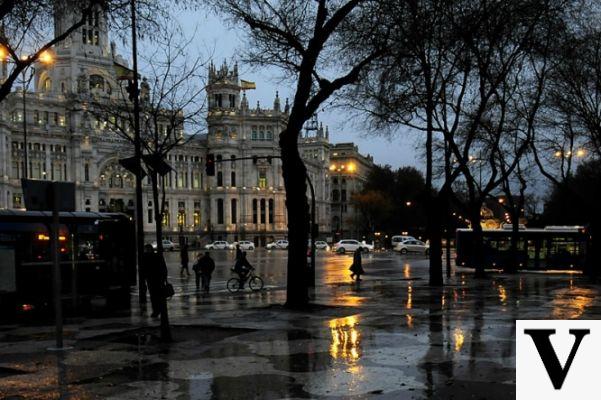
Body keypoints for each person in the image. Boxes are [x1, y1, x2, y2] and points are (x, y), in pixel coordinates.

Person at [143, 244, 168, 317]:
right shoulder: (158, 256)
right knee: (159, 295)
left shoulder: (146, 257)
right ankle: (160, 309)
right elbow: (163, 267)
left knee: (153, 296)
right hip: (159, 279)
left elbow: (144, 270)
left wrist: (144, 280)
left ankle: (156, 310)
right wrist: (164, 278)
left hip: (151, 279)